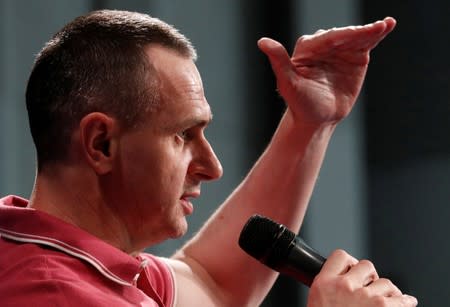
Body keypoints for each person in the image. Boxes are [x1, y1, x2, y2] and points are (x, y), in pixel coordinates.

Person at [0, 9, 417, 307]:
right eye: (183, 134)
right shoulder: (53, 294)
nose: (212, 167)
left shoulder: (73, 258)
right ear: (101, 144)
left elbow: (215, 285)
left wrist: (310, 122)